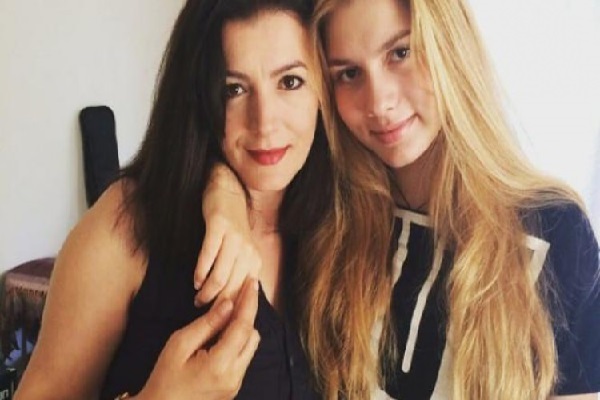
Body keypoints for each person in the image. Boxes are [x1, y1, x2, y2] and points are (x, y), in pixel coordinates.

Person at [197, 0, 600, 399]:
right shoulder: (328, 213)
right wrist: (223, 197)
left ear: (449, 45)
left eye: (400, 53)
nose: (379, 103)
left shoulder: (555, 231)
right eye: (349, 73)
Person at [14, 0, 333, 398]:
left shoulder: (344, 221)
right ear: (197, 98)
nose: (264, 122)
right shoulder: (125, 225)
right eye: (233, 89)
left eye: (290, 82)